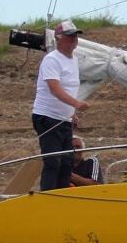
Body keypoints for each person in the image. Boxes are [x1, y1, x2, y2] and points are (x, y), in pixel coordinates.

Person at [32, 19, 90, 190]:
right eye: (69, 36)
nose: (74, 40)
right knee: (53, 160)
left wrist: (71, 112)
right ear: (58, 38)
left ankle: (62, 194)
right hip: (47, 117)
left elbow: (69, 87)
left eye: (75, 36)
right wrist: (76, 103)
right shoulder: (52, 60)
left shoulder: (73, 60)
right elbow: (54, 88)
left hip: (63, 119)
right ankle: (48, 196)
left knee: (66, 161)